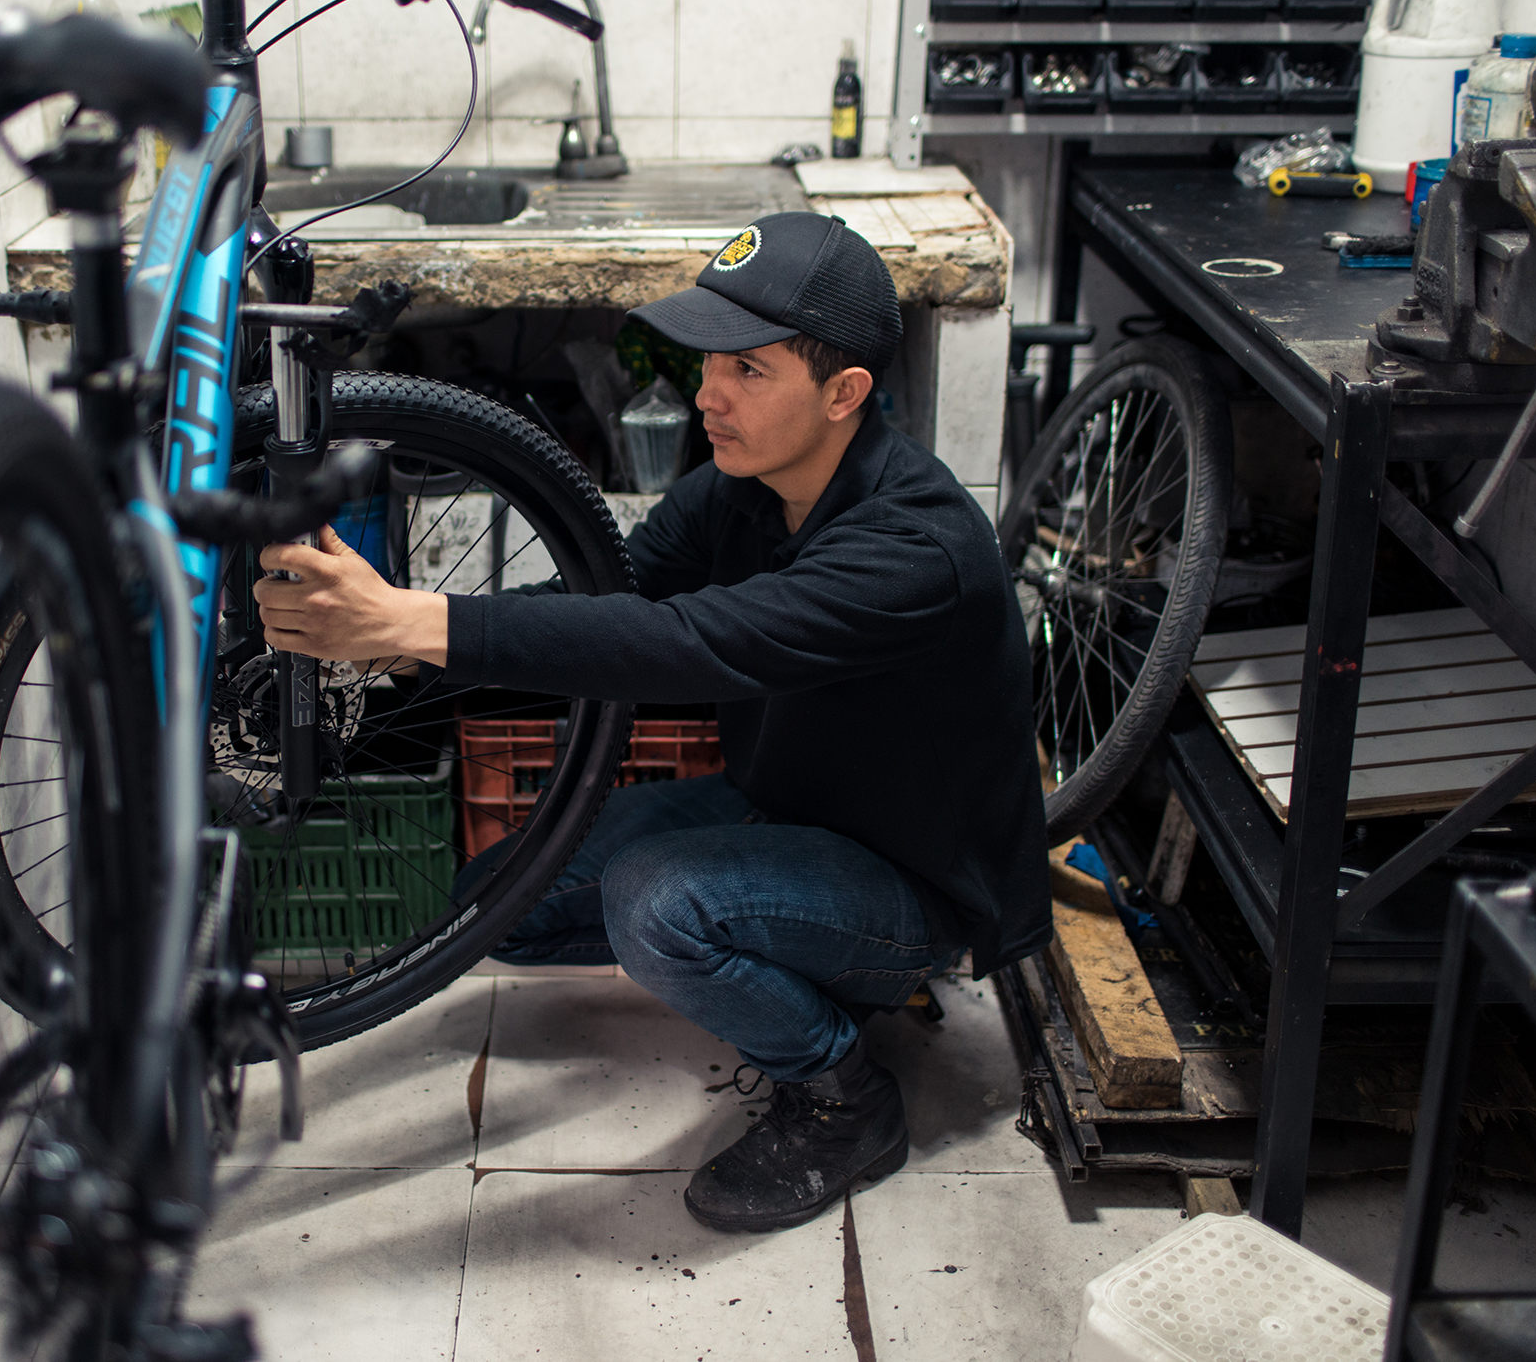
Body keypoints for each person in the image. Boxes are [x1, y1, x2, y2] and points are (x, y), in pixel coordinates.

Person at [254, 210, 1050, 1233]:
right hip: (782, 811)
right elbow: (602, 609)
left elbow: (685, 644)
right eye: (712, 359)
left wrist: (419, 617)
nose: (707, 393)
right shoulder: (738, 490)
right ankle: (786, 963)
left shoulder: (913, 550)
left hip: (911, 883)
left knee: (654, 904)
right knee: (504, 896)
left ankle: (846, 1097)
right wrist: (389, 648)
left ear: (844, 393)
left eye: (750, 371)